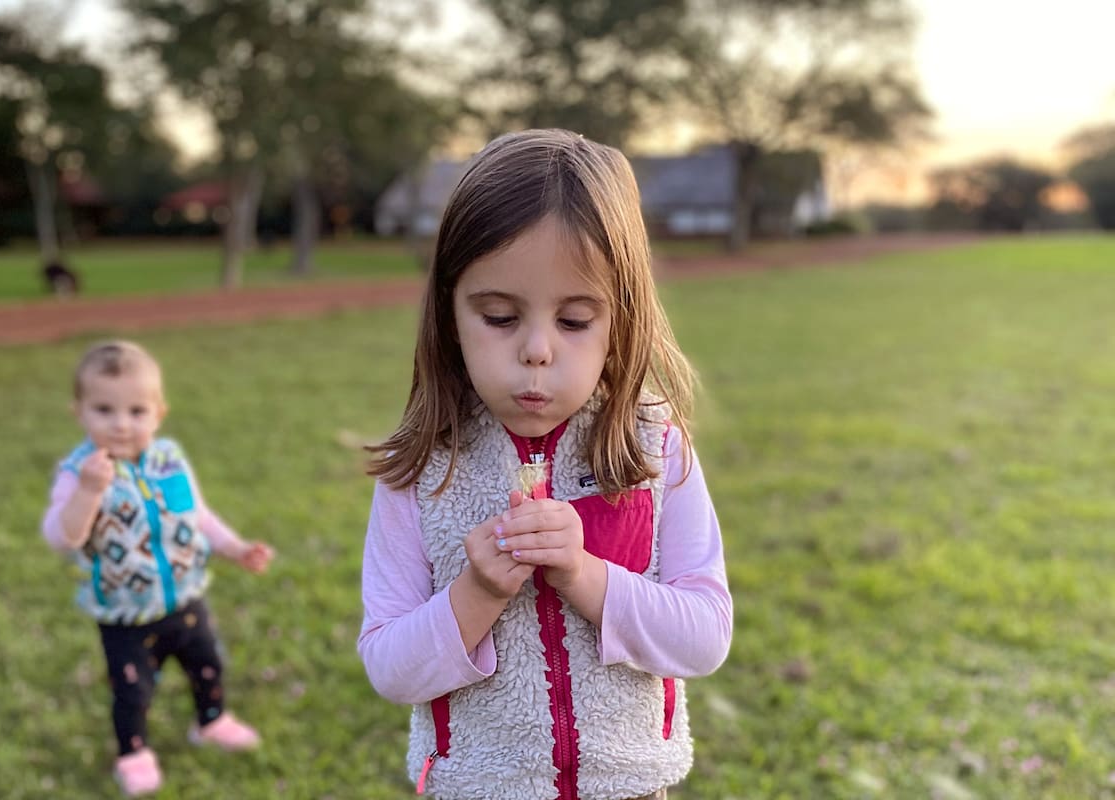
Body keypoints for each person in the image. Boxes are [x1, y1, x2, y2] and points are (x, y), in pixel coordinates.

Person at [357, 129, 734, 800]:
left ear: (622, 318)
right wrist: (476, 595)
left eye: (576, 319)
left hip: (630, 788)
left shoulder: (655, 449)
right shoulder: (421, 469)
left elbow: (704, 638)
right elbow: (390, 669)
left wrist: (585, 575)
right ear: (449, 315)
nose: (536, 350)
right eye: (500, 316)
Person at [41, 340, 274, 797]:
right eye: (104, 409)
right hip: (126, 613)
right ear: (80, 412)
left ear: (159, 413)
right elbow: (60, 536)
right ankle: (133, 752)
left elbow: (198, 515)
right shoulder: (79, 472)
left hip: (186, 596)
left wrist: (234, 547)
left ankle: (212, 721)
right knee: (132, 690)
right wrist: (88, 491)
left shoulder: (168, 459)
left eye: (137, 411)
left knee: (207, 663)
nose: (122, 424)